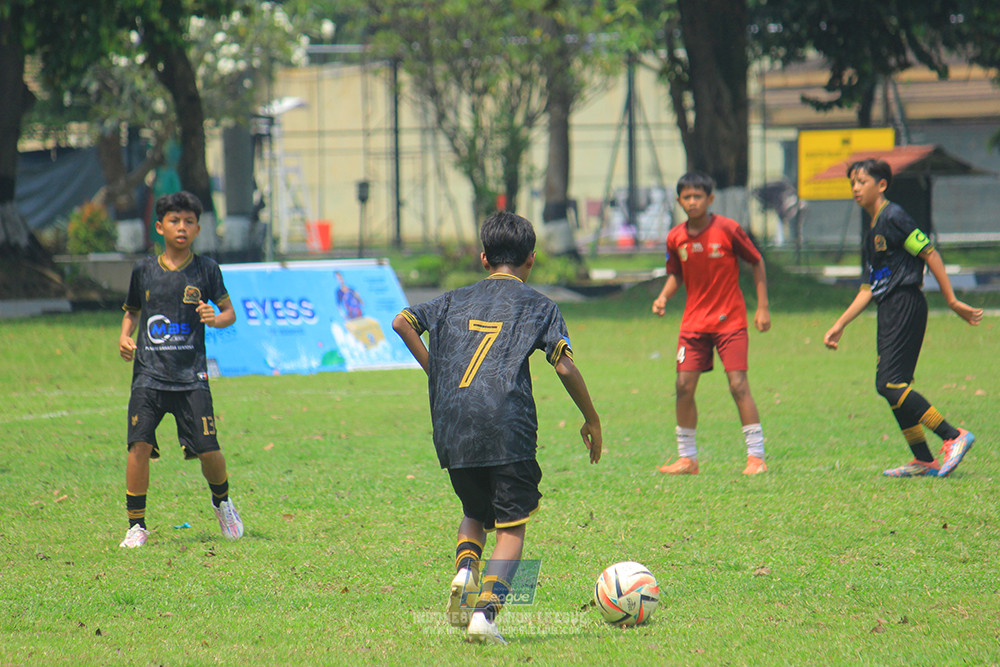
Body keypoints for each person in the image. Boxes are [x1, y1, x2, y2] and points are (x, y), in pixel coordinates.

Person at [392, 211, 602, 644]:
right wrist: (591, 418)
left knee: (473, 511)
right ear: (532, 259)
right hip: (508, 428)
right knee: (511, 527)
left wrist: (439, 374)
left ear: (484, 258)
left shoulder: (451, 299)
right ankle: (485, 614)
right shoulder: (540, 305)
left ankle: (465, 569)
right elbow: (563, 366)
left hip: (452, 427)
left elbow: (402, 322)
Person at [824, 158, 982, 477]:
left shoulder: (894, 216)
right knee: (894, 385)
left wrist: (951, 300)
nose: (855, 187)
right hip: (889, 307)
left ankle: (954, 436)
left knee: (889, 384)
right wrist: (840, 324)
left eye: (862, 181)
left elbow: (929, 253)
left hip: (905, 302)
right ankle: (923, 460)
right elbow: (869, 288)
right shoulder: (871, 234)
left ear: (881, 185)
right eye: (852, 182)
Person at [118, 191, 244, 548]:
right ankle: (136, 525)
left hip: (192, 377)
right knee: (138, 445)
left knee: (209, 450)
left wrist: (215, 319)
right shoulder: (143, 270)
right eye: (174, 221)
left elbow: (229, 312)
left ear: (198, 228)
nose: (182, 227)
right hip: (149, 375)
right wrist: (125, 337)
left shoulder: (207, 269)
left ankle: (222, 502)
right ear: (160, 227)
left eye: (189, 221)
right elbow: (131, 311)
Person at [652, 171, 771, 475]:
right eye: (687, 197)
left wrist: (762, 308)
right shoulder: (675, 237)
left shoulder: (728, 230)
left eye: (698, 196)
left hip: (730, 320)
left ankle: (756, 457)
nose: (692, 202)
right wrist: (664, 297)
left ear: (710, 199)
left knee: (738, 384)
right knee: (682, 386)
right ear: (679, 200)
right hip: (693, 323)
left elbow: (756, 261)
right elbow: (676, 274)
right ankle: (687, 458)